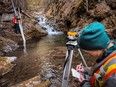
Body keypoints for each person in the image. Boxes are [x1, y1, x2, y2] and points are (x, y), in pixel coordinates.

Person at [76, 22, 116, 87]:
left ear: (96, 48)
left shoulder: (114, 74)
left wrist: (84, 84)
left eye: (88, 52)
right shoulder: (108, 53)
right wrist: (85, 69)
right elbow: (102, 72)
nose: (89, 55)